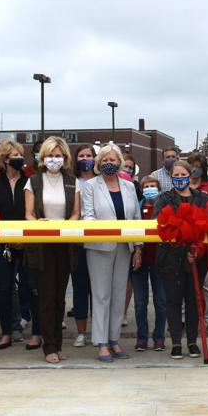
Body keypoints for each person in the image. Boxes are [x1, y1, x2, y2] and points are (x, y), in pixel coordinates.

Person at [82, 143, 143, 362]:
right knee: (101, 295)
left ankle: (114, 340)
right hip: (99, 246)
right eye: (105, 160)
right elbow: (87, 216)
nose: (109, 163)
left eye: (113, 160)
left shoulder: (128, 187)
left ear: (120, 162)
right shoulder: (90, 186)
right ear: (99, 163)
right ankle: (102, 343)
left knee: (119, 295)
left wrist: (138, 247)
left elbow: (136, 218)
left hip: (124, 246)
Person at [23, 137, 80, 363]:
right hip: (42, 244)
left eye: (58, 155)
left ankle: (57, 342)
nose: (53, 159)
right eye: (50, 155)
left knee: (60, 297)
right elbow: (28, 214)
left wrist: (68, 225)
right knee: (46, 296)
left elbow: (76, 213)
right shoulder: (33, 182)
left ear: (64, 158)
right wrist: (38, 223)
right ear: (42, 157)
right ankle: (49, 347)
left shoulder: (73, 181)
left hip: (65, 244)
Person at [0, 140, 37, 349]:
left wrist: (23, 238)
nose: (19, 158)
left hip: (27, 241)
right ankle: (7, 332)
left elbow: (34, 211)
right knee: (5, 288)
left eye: (20, 154)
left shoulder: (29, 180)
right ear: (5, 159)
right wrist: (7, 237)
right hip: (3, 243)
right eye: (14, 155)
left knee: (30, 287)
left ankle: (36, 332)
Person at [154, 159, 208, 359]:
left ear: (190, 175)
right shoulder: (164, 198)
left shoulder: (202, 198)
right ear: (171, 177)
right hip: (171, 255)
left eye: (182, 175)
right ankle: (176, 342)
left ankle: (193, 341)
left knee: (194, 299)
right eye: (175, 176)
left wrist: (195, 249)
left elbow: (206, 223)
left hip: (197, 256)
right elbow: (162, 222)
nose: (179, 179)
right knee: (173, 300)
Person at [130, 175, 166, 352]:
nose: (149, 188)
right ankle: (141, 338)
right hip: (140, 259)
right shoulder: (138, 206)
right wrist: (137, 251)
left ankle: (159, 337)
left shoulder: (165, 206)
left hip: (160, 260)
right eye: (146, 186)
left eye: (153, 185)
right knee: (140, 302)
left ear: (158, 188)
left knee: (160, 301)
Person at [69, 144, 97, 348]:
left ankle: (99, 329)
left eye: (89, 155)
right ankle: (81, 332)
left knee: (99, 289)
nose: (85, 158)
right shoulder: (71, 183)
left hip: (98, 242)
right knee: (80, 287)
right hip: (77, 242)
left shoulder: (101, 182)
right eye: (82, 155)